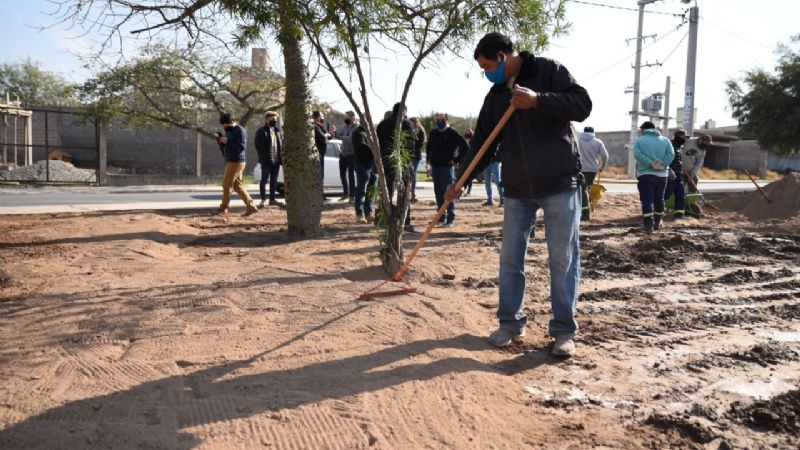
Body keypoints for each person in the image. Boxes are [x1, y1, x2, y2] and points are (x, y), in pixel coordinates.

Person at [446, 32, 592, 356]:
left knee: (562, 260)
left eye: (487, 66)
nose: (487, 73)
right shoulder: (496, 96)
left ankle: (564, 331)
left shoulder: (548, 70)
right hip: (516, 190)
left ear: (502, 56)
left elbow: (582, 105)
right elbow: (482, 144)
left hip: (559, 184)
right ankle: (510, 324)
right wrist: (460, 180)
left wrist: (538, 100)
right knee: (510, 260)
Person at [376, 102, 418, 234]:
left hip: (384, 162)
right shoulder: (406, 123)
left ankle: (383, 221)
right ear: (404, 111)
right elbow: (410, 144)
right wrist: (409, 162)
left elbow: (377, 142)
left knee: (386, 191)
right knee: (404, 193)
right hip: (401, 162)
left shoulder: (383, 124)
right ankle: (405, 222)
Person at [426, 112, 469, 227]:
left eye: (442, 119)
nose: (439, 122)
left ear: (446, 120)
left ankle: (451, 218)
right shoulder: (434, 133)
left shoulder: (452, 133)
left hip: (446, 168)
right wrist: (428, 159)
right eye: (437, 120)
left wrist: (456, 160)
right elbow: (429, 146)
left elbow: (465, 147)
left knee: (449, 193)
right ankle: (441, 218)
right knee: (438, 194)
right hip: (435, 167)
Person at [633, 121, 675, 233]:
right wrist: (663, 164)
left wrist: (651, 164)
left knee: (647, 200)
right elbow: (671, 154)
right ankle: (657, 222)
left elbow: (637, 155)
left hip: (645, 174)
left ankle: (648, 225)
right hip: (662, 175)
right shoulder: (665, 140)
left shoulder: (640, 141)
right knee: (659, 198)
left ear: (643, 129)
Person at [216, 113, 258, 216]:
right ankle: (251, 207)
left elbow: (241, 147)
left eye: (225, 124)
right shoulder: (229, 131)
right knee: (237, 186)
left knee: (227, 185)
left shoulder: (240, 130)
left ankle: (223, 208)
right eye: (223, 125)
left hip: (236, 161)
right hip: (231, 160)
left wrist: (227, 141)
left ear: (231, 122)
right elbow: (229, 145)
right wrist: (221, 141)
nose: (224, 126)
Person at [577, 126, 608, 221]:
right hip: (592, 169)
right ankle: (588, 208)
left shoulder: (577, 141)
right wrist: (601, 167)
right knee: (587, 189)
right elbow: (605, 156)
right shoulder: (598, 142)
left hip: (580, 169)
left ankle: (585, 212)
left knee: (582, 190)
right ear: (593, 133)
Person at [254, 111, 283, 207]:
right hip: (266, 161)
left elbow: (281, 145)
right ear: (267, 120)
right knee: (264, 180)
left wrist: (280, 158)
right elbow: (258, 146)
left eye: (276, 119)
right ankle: (263, 200)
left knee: (274, 181)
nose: (275, 121)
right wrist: (265, 157)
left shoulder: (277, 131)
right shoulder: (261, 131)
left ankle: (272, 199)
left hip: (276, 161)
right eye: (273, 119)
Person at [352, 119, 377, 223]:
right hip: (362, 165)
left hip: (372, 165)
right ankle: (359, 214)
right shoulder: (357, 133)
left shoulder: (371, 133)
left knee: (371, 190)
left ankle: (368, 213)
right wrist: (375, 149)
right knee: (362, 190)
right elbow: (363, 147)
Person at [664, 129, 687, 219]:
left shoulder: (678, 147)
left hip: (679, 175)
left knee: (681, 195)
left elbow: (678, 161)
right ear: (678, 137)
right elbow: (665, 159)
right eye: (683, 137)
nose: (685, 139)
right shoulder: (670, 145)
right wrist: (669, 170)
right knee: (666, 194)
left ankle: (679, 215)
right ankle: (657, 211)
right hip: (671, 176)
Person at [337, 111, 358, 202]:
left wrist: (339, 136)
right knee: (342, 174)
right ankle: (345, 193)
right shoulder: (345, 126)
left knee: (351, 175)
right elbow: (339, 133)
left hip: (351, 154)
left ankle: (352, 196)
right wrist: (336, 134)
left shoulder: (356, 127)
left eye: (347, 117)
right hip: (343, 153)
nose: (345, 119)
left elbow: (350, 139)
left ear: (352, 118)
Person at [409, 117, 426, 203]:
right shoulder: (409, 130)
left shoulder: (420, 131)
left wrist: (414, 137)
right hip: (409, 155)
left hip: (415, 156)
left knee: (413, 174)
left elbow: (420, 144)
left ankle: (413, 193)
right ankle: (408, 192)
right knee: (408, 174)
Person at [312, 111, 329, 189]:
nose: (323, 118)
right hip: (318, 154)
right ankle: (319, 193)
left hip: (321, 154)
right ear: (318, 117)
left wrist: (327, 135)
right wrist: (326, 136)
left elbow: (329, 136)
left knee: (320, 175)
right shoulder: (315, 127)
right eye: (322, 116)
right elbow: (323, 139)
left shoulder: (320, 126)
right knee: (319, 175)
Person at [462, 129, 475, 196]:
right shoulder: (465, 141)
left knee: (469, 177)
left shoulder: (473, 142)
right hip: (465, 161)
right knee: (464, 177)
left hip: (471, 161)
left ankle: (468, 191)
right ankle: (465, 190)